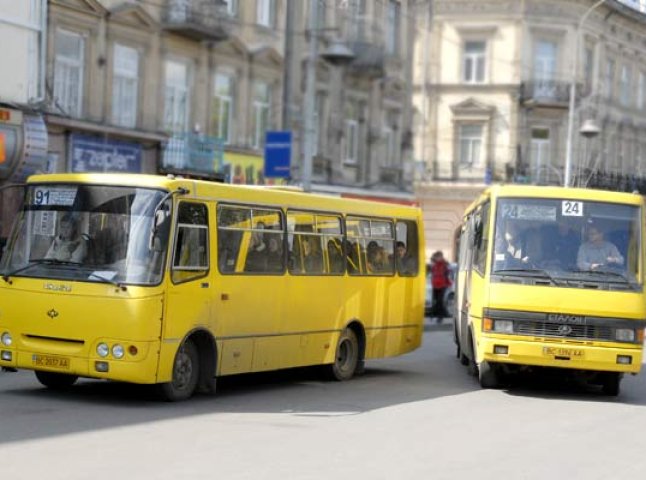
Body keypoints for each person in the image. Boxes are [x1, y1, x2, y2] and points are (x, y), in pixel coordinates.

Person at [429, 250, 452, 324]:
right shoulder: (434, 265)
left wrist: (448, 283)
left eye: (439, 257)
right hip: (435, 285)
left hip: (442, 285)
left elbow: (448, 274)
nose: (438, 258)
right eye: (437, 257)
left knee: (440, 301)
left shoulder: (444, 265)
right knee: (436, 301)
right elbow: (433, 274)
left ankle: (440, 316)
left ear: (441, 257)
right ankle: (442, 314)